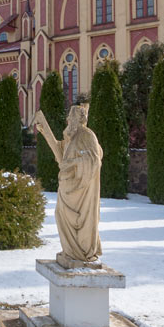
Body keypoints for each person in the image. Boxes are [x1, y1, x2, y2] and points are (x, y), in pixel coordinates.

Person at [34, 103, 103, 265]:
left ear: (78, 119)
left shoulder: (86, 135)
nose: (67, 119)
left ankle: (80, 252)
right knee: (60, 215)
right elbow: (61, 154)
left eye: (70, 117)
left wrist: (72, 163)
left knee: (81, 220)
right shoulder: (72, 137)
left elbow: (94, 159)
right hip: (67, 186)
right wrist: (45, 132)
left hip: (81, 189)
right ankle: (71, 251)